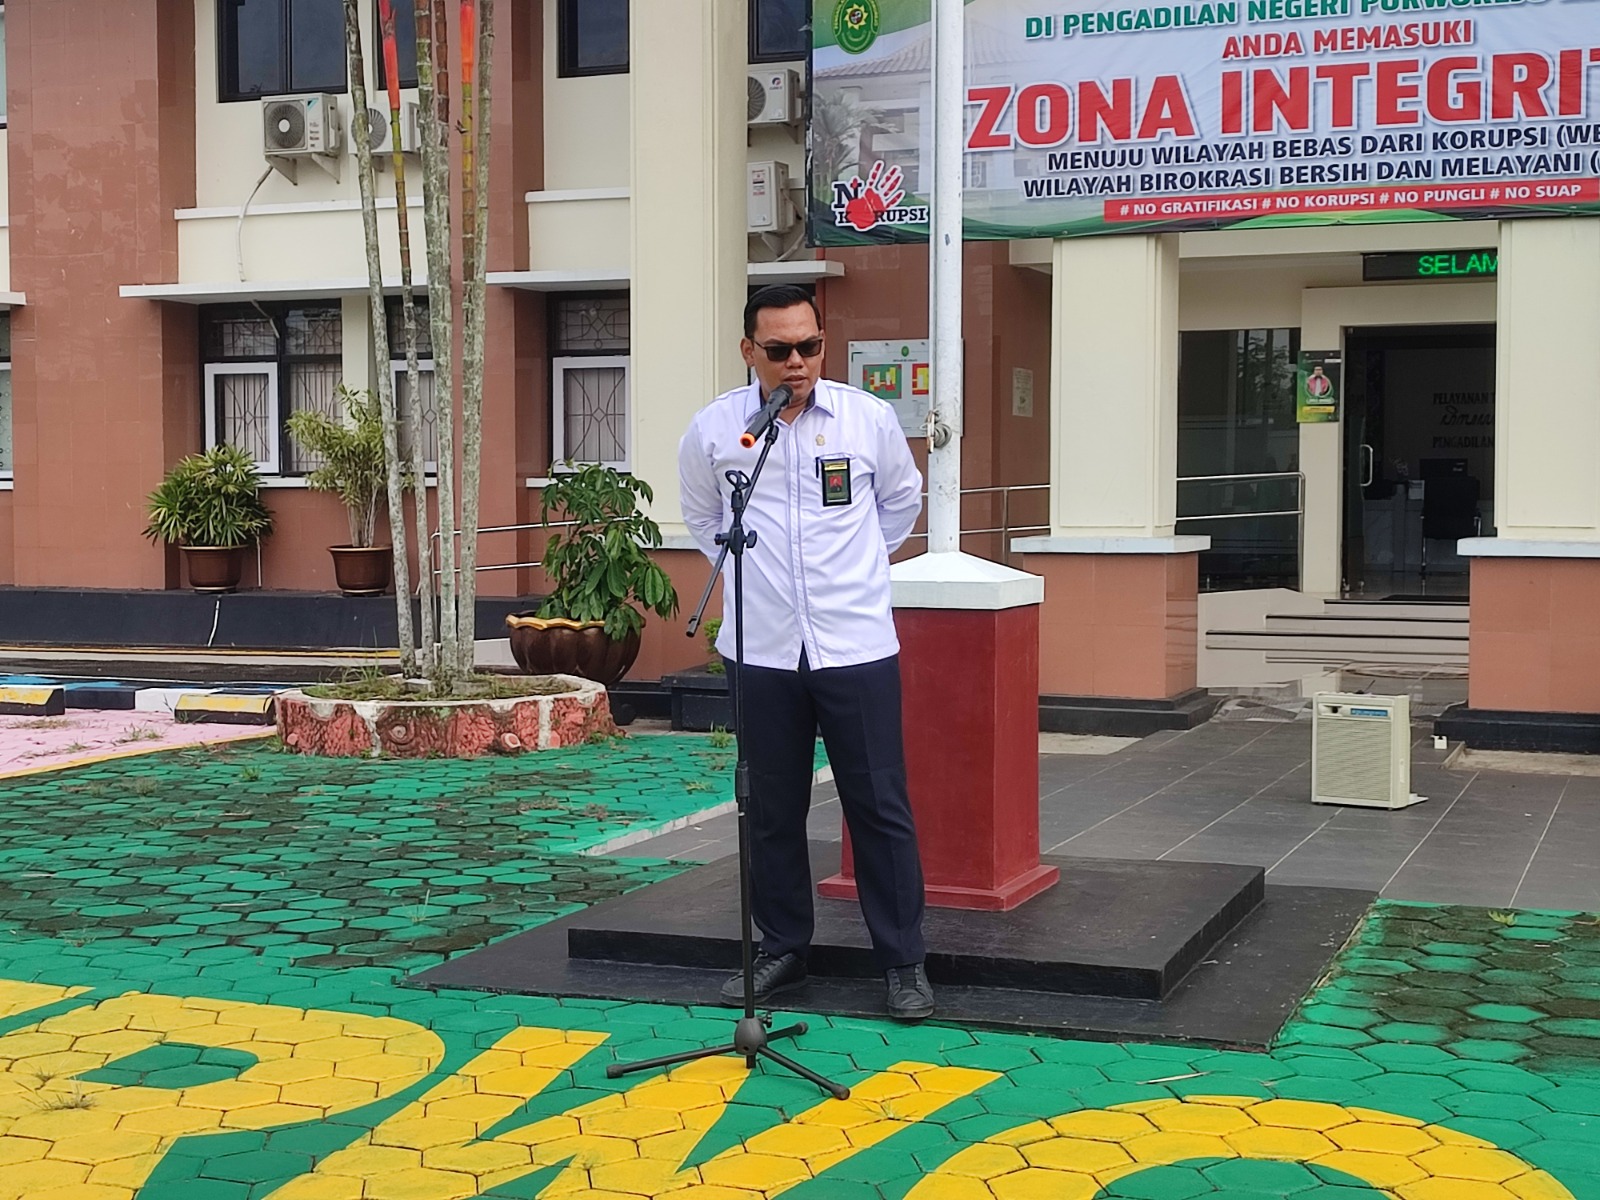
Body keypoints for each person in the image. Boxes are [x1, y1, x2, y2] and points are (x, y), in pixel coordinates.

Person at [677, 284, 934, 1022]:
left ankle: (903, 961)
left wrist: (855, 571)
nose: (797, 363)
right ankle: (784, 947)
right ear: (748, 351)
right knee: (770, 807)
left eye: (810, 346)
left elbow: (900, 502)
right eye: (780, 350)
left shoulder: (866, 419)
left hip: (855, 643)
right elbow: (703, 514)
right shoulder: (719, 430)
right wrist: (756, 581)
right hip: (760, 647)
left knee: (878, 805)